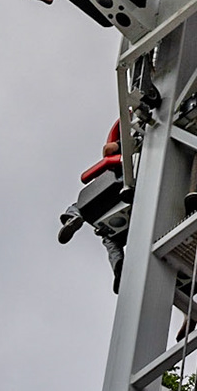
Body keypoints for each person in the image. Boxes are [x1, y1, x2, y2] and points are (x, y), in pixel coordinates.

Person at [58, 121, 129, 292]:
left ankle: (74, 216)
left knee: (83, 207)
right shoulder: (128, 145)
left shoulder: (133, 143)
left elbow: (108, 150)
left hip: (126, 182)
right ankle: (121, 271)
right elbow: (108, 152)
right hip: (120, 190)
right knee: (109, 236)